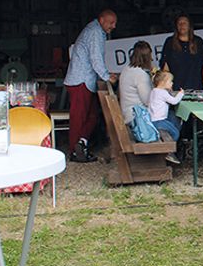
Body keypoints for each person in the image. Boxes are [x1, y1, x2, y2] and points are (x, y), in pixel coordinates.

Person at [64, 9, 118, 163]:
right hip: (81, 80)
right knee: (79, 117)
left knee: (92, 115)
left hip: (84, 79)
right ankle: (75, 151)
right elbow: (96, 58)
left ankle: (81, 144)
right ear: (101, 20)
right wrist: (107, 76)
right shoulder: (95, 32)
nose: (113, 26)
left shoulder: (96, 30)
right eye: (111, 23)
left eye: (115, 23)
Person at [161, 14, 203, 91]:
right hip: (176, 87)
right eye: (179, 23)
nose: (182, 25)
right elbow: (165, 65)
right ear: (176, 26)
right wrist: (166, 85)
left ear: (189, 26)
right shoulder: (170, 42)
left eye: (185, 23)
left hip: (196, 87)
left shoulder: (198, 41)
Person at [149, 69, 184, 165]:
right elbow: (174, 101)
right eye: (170, 81)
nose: (172, 83)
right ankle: (168, 151)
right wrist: (181, 94)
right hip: (160, 121)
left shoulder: (154, 91)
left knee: (172, 125)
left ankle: (168, 150)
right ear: (163, 82)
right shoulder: (162, 93)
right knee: (175, 132)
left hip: (153, 120)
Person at [118, 41, 155, 124]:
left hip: (127, 113)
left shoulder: (127, 69)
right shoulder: (140, 75)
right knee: (172, 117)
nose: (152, 59)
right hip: (137, 118)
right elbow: (148, 101)